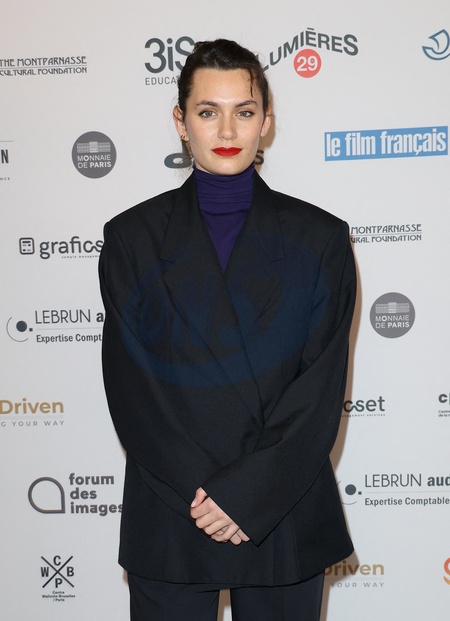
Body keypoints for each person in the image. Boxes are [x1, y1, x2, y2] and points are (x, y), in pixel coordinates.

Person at [99, 38, 356, 621]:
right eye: (207, 111)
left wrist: (246, 495)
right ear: (180, 121)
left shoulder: (321, 238)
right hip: (174, 509)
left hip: (283, 508)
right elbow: (135, 391)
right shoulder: (131, 239)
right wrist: (210, 497)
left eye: (244, 111)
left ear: (266, 121)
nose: (227, 130)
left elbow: (318, 391)